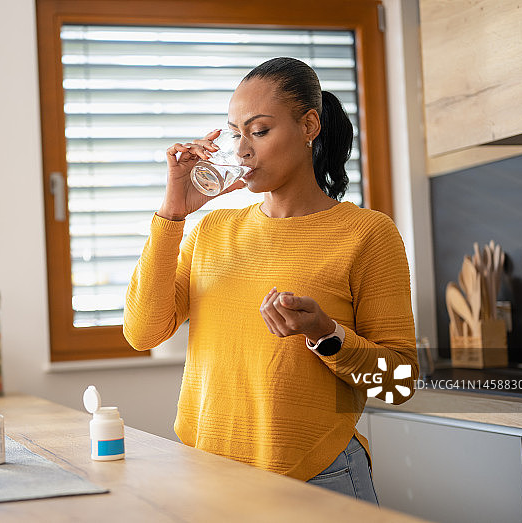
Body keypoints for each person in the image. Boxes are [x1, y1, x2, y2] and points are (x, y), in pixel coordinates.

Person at [123, 57, 417, 504]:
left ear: (309, 125)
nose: (242, 150)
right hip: (207, 477)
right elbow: (143, 333)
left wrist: (324, 334)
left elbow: (397, 384)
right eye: (235, 132)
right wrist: (173, 214)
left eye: (259, 131)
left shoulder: (368, 234)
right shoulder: (211, 231)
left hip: (316, 480)